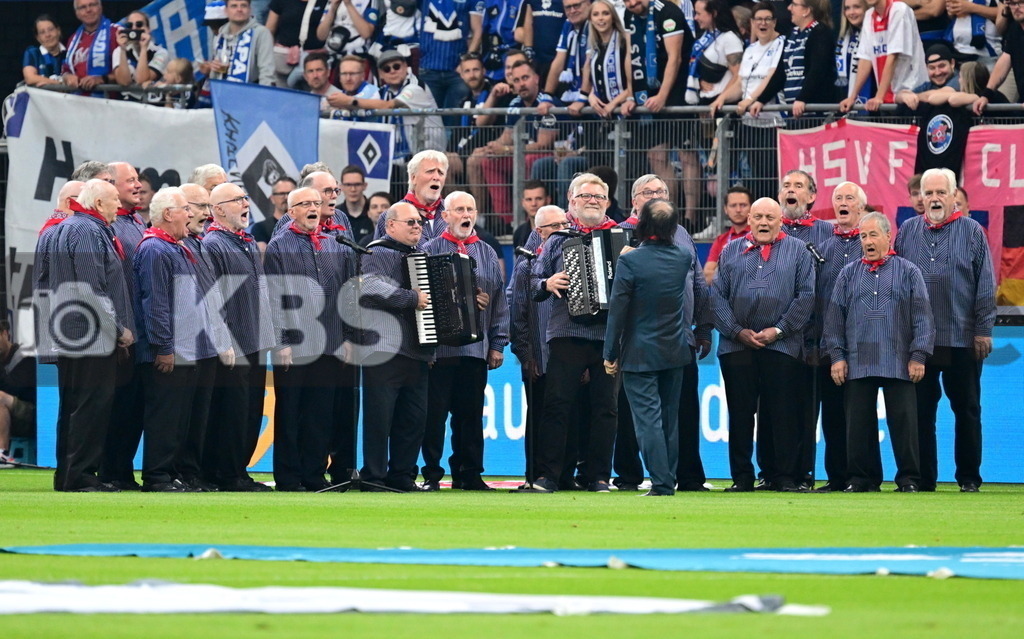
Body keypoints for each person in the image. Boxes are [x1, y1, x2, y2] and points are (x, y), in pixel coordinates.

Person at [894, 167, 996, 492]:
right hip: (919, 342)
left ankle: (968, 477)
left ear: (954, 196)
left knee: (966, 409)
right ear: (920, 198)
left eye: (941, 192)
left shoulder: (973, 231)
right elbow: (897, 281)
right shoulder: (907, 230)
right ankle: (924, 479)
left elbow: (985, 284)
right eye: (929, 193)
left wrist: (983, 330)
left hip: (962, 337)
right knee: (921, 412)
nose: (935, 199)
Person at [824, 212, 934, 492]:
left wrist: (918, 355)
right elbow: (834, 319)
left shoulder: (909, 271)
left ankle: (909, 479)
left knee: (905, 425)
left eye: (873, 235)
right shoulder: (847, 274)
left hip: (898, 360)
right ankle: (861, 479)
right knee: (857, 426)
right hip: (858, 360)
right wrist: (837, 357)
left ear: (888, 236)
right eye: (863, 236)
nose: (868, 241)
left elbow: (923, 318)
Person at [711, 197, 815, 492]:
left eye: (770, 217)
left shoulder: (799, 251)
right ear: (750, 220)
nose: (764, 222)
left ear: (781, 220)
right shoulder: (731, 250)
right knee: (741, 415)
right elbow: (717, 297)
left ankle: (782, 476)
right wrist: (736, 331)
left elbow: (806, 296)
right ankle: (742, 477)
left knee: (782, 413)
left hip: (782, 346)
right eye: (758, 217)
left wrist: (779, 330)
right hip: (737, 346)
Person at [617, 175, 712, 492]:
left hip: (681, 336)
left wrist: (705, 326)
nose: (657, 196)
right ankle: (630, 476)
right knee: (633, 417)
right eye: (649, 192)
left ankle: (683, 477)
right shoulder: (618, 233)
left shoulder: (682, 234)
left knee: (681, 412)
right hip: (634, 342)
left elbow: (698, 282)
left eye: (662, 192)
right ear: (634, 200)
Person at [133, 188, 232, 492]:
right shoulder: (154, 249)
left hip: (189, 349)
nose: (190, 215)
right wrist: (164, 347)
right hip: (172, 350)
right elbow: (156, 303)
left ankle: (174, 473)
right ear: (167, 214)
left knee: (181, 419)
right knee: (165, 417)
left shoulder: (178, 247)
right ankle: (157, 476)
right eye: (185, 210)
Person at [529, 174, 620, 493]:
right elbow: (532, 282)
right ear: (572, 201)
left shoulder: (624, 238)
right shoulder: (556, 239)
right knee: (557, 403)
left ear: (608, 203)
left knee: (605, 407)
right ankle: (548, 475)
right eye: (586, 195)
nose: (592, 200)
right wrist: (547, 284)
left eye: (599, 196)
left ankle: (598, 476)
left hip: (609, 336)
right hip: (567, 333)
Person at [46, 178, 134, 491]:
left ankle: (70, 475)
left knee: (77, 405)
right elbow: (91, 289)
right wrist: (118, 329)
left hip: (77, 333)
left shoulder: (77, 228)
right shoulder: (86, 230)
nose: (119, 207)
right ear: (98, 204)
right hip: (90, 335)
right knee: (90, 406)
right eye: (114, 201)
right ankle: (81, 475)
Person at [265, 186, 354, 492]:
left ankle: (314, 475)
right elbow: (274, 298)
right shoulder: (279, 246)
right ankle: (288, 478)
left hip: (330, 344)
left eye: (317, 203)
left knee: (320, 415)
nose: (314, 208)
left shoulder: (336, 245)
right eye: (306, 204)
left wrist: (348, 337)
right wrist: (281, 342)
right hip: (295, 345)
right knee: (290, 413)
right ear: (292, 212)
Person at [604, 199, 694, 497]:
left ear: (642, 225)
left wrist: (609, 353)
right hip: (675, 349)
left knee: (647, 422)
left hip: (639, 352)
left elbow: (618, 311)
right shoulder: (683, 256)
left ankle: (661, 483)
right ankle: (666, 479)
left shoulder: (630, 261)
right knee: (670, 420)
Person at [420, 192, 509, 491]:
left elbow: (498, 303)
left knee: (470, 416)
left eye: (470, 208)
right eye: (459, 209)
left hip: (474, 349)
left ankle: (469, 473)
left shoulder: (486, 252)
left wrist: (497, 344)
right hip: (439, 350)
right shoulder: (427, 250)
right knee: (434, 417)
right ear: (445, 216)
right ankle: (431, 474)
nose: (465, 214)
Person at [203, 182, 276, 492]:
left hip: (255, 341)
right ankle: (226, 473)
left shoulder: (245, 241)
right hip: (234, 342)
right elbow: (211, 298)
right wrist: (223, 340)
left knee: (249, 411)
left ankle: (238, 471)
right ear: (217, 209)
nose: (245, 204)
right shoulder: (213, 244)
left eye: (245, 198)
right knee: (232, 412)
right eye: (237, 200)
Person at [359, 202, 435, 492]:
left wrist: (432, 347)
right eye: (410, 222)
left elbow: (432, 306)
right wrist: (409, 298)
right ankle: (373, 477)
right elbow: (370, 288)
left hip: (417, 352)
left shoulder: (422, 256)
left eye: (419, 222)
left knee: (413, 419)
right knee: (380, 418)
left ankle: (402, 475)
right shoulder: (377, 251)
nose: (417, 226)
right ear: (390, 226)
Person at [811, 181, 867, 492]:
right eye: (838, 198)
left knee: (859, 413)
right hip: (829, 344)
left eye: (849, 198)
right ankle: (836, 477)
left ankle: (863, 475)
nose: (843, 203)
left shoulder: (870, 241)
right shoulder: (824, 247)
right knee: (832, 413)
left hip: (865, 344)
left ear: (861, 207)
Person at [508, 204, 567, 486]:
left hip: (568, 357)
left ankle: (566, 475)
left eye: (564, 225)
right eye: (554, 227)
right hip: (539, 358)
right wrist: (525, 354)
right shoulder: (527, 267)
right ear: (539, 232)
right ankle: (535, 474)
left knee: (568, 418)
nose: (561, 232)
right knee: (539, 418)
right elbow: (518, 313)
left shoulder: (577, 262)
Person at [623, 0, 698, 224]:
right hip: (646, 94)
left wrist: (664, 95)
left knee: (687, 156)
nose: (632, 3)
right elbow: (630, 56)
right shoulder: (630, 15)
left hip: (677, 95)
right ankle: (667, 216)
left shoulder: (668, 13)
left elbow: (675, 58)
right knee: (656, 155)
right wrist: (629, 94)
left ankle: (691, 218)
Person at [97, 161, 148, 491]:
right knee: (114, 407)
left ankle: (123, 470)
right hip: (120, 332)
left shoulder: (138, 220)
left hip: (140, 331)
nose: (138, 185)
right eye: (130, 181)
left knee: (134, 407)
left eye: (137, 180)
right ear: (110, 186)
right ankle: (109, 471)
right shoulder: (109, 225)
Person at [709, 2, 785, 201]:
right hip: (749, 123)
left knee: (771, 175)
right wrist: (722, 98)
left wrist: (751, 100)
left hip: (773, 122)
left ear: (774, 22)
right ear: (751, 23)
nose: (763, 23)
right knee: (755, 177)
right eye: (758, 19)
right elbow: (741, 83)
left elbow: (772, 77)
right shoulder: (750, 49)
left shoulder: (781, 44)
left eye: (767, 19)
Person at [480, 60, 567, 220]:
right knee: (488, 160)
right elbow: (507, 137)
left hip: (552, 156)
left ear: (536, 78)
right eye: (517, 80)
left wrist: (506, 150)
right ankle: (507, 220)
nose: (521, 84)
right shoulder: (515, 104)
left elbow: (543, 145)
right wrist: (493, 147)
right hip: (522, 155)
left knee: (529, 160)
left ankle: (528, 218)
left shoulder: (547, 104)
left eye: (525, 78)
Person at [839, 0, 927, 112]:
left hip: (912, 89)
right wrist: (852, 97)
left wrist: (879, 96)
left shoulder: (899, 10)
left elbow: (893, 57)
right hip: (888, 95)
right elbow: (865, 59)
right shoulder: (869, 15)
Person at [374, 150, 450, 245]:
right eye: (430, 171)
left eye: (441, 173)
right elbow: (378, 255)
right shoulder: (390, 216)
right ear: (413, 178)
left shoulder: (453, 213)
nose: (436, 177)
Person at [686, 0, 744, 109]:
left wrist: (720, 100)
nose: (695, 18)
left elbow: (738, 76)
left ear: (714, 13)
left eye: (699, 14)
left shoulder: (729, 38)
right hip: (704, 101)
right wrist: (699, 81)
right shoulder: (704, 36)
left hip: (722, 105)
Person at [203, 0, 276, 86]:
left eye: (243, 6)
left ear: (250, 10)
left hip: (251, 92)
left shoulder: (261, 33)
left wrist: (264, 97)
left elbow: (267, 72)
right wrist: (214, 69)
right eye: (234, 6)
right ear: (226, 11)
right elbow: (216, 75)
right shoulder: (220, 36)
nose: (239, 9)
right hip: (224, 92)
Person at [972, 0, 1024, 115]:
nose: (1016, 7)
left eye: (1020, 2)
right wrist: (986, 94)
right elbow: (1005, 60)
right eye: (1012, 3)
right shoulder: (1015, 29)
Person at [267, 0, 331, 89]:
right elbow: (269, 30)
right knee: (280, 96)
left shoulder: (326, 2)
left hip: (313, 61)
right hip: (281, 59)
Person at [62, 0, 120, 93]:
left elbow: (129, 74)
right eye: (83, 7)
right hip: (78, 101)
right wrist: (67, 77)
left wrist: (102, 79)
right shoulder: (73, 39)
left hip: (108, 101)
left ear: (100, 8)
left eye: (92, 5)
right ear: (77, 13)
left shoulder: (117, 33)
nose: (88, 10)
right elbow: (65, 70)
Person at [0, 321, 36, 469]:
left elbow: (14, 388)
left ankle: (2, 454)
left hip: (30, 413)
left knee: (1, 398)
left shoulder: (25, 358)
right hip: (6, 414)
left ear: (5, 334)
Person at [112, 10, 169, 100]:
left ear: (148, 29)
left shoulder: (161, 52)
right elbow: (124, 82)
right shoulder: (119, 51)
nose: (134, 28)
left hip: (152, 104)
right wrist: (123, 49)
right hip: (127, 104)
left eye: (139, 24)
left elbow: (141, 80)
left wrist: (143, 48)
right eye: (130, 25)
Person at [546, 0, 591, 107]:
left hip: (594, 95)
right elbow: (558, 61)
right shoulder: (568, 25)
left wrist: (583, 98)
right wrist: (547, 96)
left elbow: (589, 65)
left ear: (589, 3)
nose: (572, 11)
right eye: (568, 7)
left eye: (577, 6)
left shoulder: (595, 24)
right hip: (574, 94)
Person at [704, 185, 752, 285]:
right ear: (726, 209)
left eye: (743, 205)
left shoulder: (760, 236)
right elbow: (707, 275)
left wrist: (722, 271)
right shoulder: (721, 240)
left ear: (751, 208)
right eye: (733, 205)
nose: (738, 210)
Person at [516, 0, 568, 83]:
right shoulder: (530, 2)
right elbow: (526, 25)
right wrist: (528, 49)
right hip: (537, 59)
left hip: (560, 59)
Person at [835, 0, 875, 106]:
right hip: (845, 98)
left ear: (867, 8)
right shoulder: (845, 36)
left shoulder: (874, 34)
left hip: (870, 99)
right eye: (847, 8)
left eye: (857, 7)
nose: (851, 12)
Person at [316, 0, 376, 66]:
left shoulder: (369, 1)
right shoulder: (331, 1)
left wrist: (348, 4)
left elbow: (366, 33)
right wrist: (333, 8)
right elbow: (321, 36)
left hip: (358, 56)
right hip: (334, 55)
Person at [252, 176, 295, 251]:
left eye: (290, 193)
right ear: (272, 198)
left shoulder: (306, 226)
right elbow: (262, 257)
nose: (286, 197)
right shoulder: (260, 228)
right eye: (281, 194)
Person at [22, 15, 67, 87]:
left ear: (58, 31)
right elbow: (30, 78)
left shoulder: (70, 50)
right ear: (38, 38)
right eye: (42, 32)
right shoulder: (33, 53)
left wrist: (45, 82)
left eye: (51, 30)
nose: (48, 35)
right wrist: (58, 84)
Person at [338, 165, 374, 244]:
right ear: (341, 187)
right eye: (348, 185)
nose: (353, 189)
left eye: (357, 184)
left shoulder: (374, 212)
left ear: (364, 186)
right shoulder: (335, 215)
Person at [513, 180, 551, 248]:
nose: (533, 204)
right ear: (523, 203)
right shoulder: (519, 233)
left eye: (539, 199)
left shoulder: (559, 229)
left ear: (548, 200)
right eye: (529, 199)